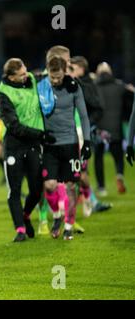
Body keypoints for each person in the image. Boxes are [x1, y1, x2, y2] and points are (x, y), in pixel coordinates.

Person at [0, 58, 54, 241]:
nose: (25, 76)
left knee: (37, 190)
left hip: (33, 145)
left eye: (25, 71)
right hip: (14, 145)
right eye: (21, 74)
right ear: (11, 77)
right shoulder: (3, 94)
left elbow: (53, 74)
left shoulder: (34, 79)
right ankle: (20, 229)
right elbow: (14, 127)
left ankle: (26, 214)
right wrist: (41, 134)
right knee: (14, 190)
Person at [38, 55, 91, 240]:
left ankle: (69, 225)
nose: (55, 81)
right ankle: (57, 216)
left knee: (70, 185)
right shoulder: (41, 87)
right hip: (49, 144)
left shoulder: (73, 87)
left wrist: (88, 142)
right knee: (50, 186)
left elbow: (83, 116)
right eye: (53, 77)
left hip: (70, 143)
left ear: (64, 72)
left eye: (59, 77)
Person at [69, 56, 112, 214]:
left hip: (80, 133)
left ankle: (89, 202)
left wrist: (87, 125)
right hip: (70, 132)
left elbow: (98, 107)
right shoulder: (73, 83)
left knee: (79, 171)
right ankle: (89, 201)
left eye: (72, 68)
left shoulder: (86, 85)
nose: (70, 71)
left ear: (81, 68)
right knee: (78, 171)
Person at [94, 62, 134, 195]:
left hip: (99, 128)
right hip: (115, 127)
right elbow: (131, 96)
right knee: (118, 156)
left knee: (98, 157)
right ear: (110, 72)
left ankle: (101, 188)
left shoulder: (93, 86)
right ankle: (119, 175)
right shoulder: (119, 86)